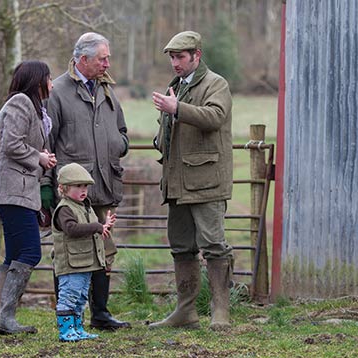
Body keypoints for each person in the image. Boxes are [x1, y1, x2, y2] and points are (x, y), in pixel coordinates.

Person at [45, 32, 130, 330]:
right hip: (70, 190)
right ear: (83, 59)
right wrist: (47, 190)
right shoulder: (57, 91)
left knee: (104, 251)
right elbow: (47, 142)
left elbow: (122, 130)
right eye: (102, 58)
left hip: (104, 184)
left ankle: (101, 314)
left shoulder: (107, 89)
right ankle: (68, 317)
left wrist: (117, 144)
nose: (108, 63)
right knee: (69, 253)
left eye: (107, 57)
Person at [150, 31, 234, 331]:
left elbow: (215, 117)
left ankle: (220, 312)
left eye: (180, 57)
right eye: (172, 57)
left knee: (214, 246)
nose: (175, 63)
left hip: (207, 183)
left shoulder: (216, 84)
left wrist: (177, 110)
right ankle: (186, 312)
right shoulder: (176, 87)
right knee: (181, 247)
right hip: (178, 184)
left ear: (196, 56)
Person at [0, 60, 57, 335]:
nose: (52, 84)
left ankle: (2, 319)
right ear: (38, 81)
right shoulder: (21, 103)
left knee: (14, 255)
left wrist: (42, 159)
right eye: (49, 79)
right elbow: (11, 143)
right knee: (30, 252)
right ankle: (5, 318)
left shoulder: (35, 109)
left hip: (16, 190)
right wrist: (38, 157)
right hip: (13, 189)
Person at [52, 163, 117, 342]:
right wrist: (97, 227)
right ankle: (66, 330)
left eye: (85, 186)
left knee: (80, 297)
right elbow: (71, 229)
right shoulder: (65, 209)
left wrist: (104, 226)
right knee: (69, 296)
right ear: (64, 188)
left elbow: (89, 229)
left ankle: (77, 328)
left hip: (85, 262)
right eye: (78, 186)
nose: (83, 190)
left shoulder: (84, 207)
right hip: (71, 264)